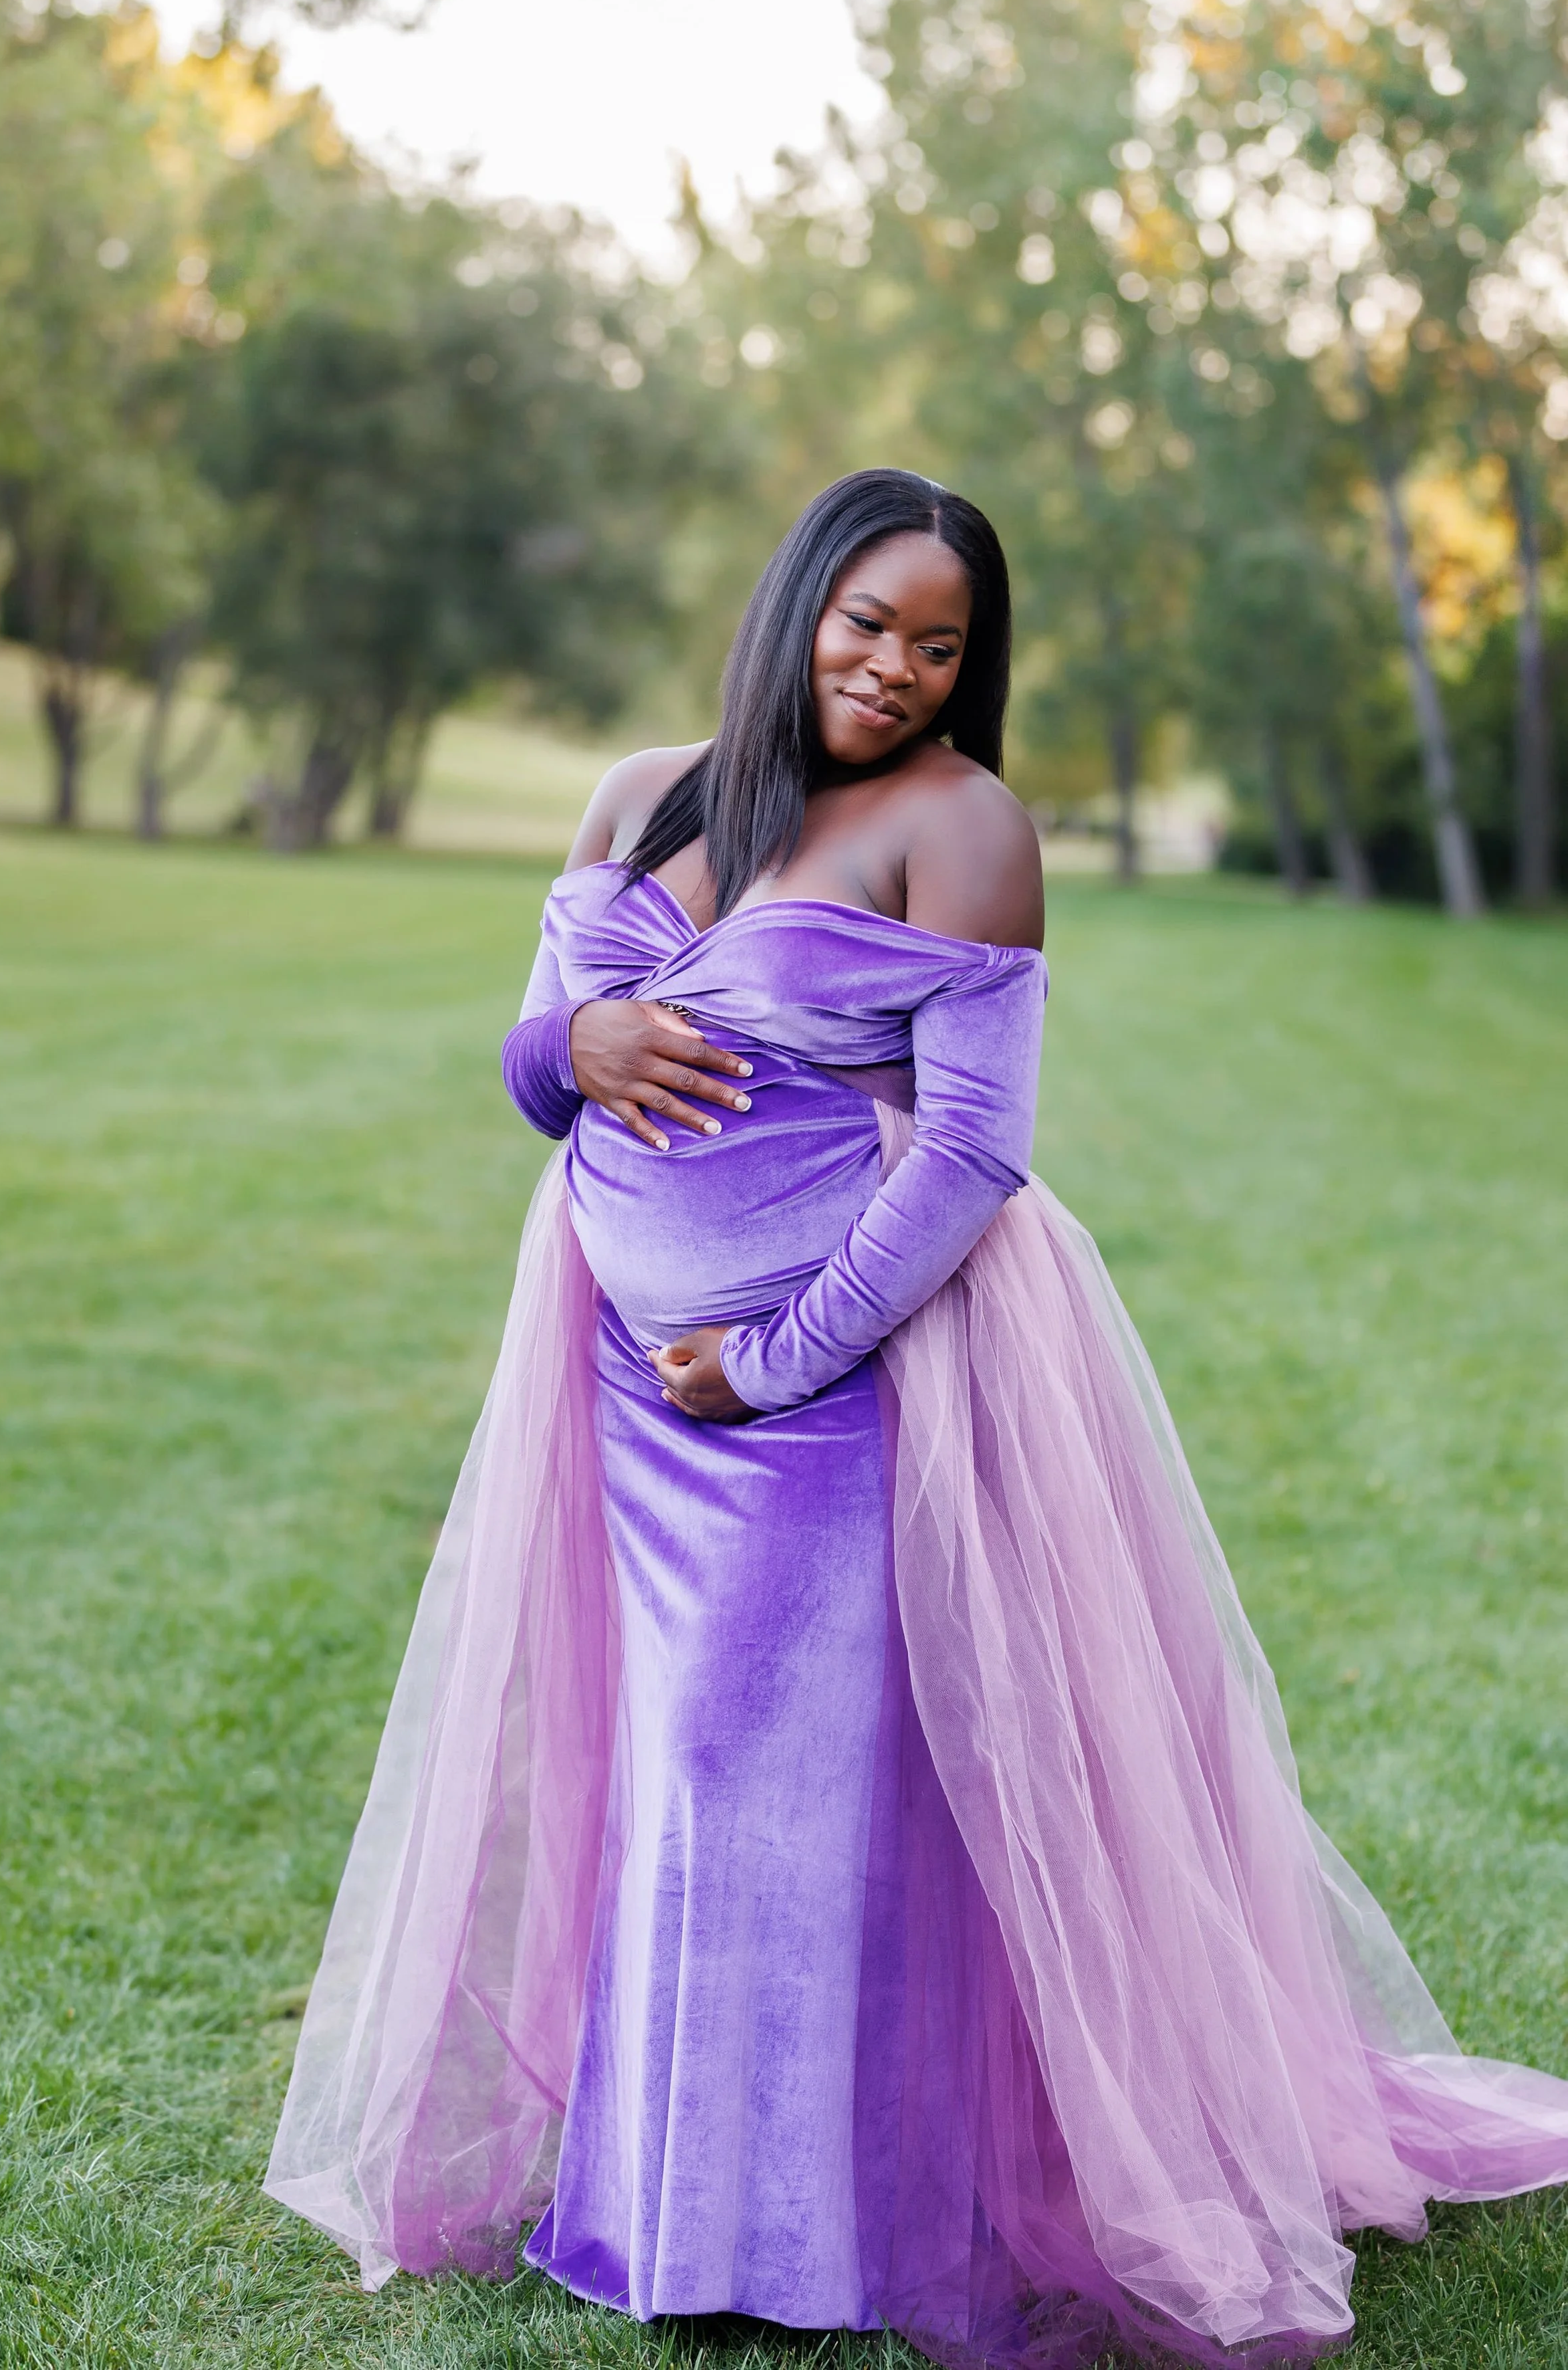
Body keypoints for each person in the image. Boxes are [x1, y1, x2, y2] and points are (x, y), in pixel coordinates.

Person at [266, 471, 1568, 2369]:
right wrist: (580, 1044)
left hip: (834, 1383)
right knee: (667, 1778)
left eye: (939, 642)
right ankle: (668, 2197)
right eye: (867, 621)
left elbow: (971, 1149)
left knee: (780, 1791)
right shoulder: (648, 793)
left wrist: (780, 1353)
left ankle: (800, 2227)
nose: (893, 668)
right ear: (799, 602)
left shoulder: (960, 826)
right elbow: (537, 1065)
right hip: (625, 1388)